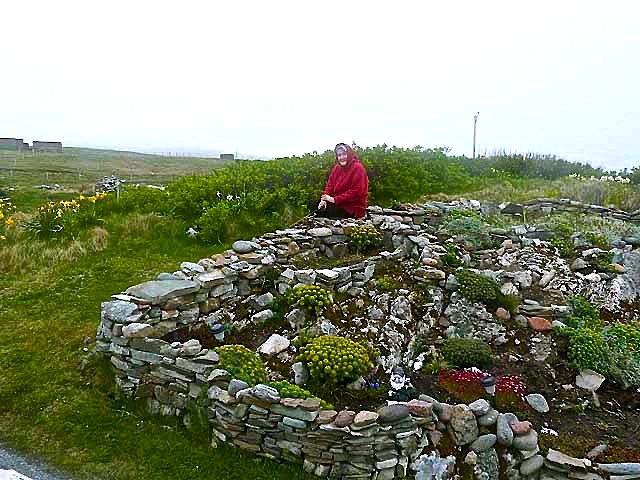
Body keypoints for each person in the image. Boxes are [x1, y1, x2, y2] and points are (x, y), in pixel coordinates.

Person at [316, 143, 368, 218]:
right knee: (315, 204)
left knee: (325, 211)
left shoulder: (358, 168)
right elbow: (330, 186)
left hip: (352, 208)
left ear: (349, 154)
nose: (342, 157)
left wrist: (334, 200)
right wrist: (324, 199)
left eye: (344, 154)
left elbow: (356, 192)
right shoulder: (337, 168)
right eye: (339, 155)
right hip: (339, 204)